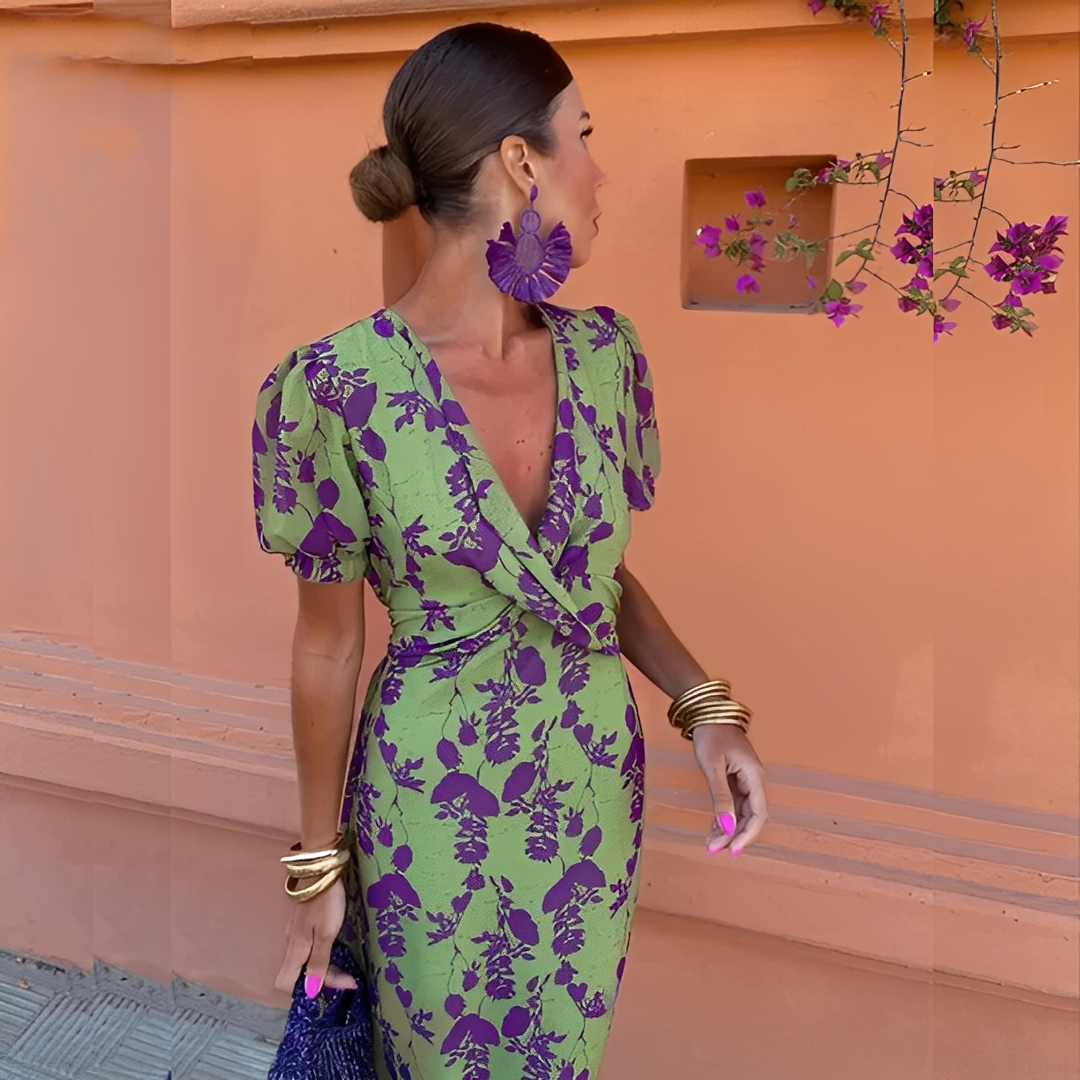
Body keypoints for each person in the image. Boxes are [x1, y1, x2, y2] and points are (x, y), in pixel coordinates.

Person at [252, 21, 768, 1080]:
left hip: (589, 791)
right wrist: (316, 870)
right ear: (522, 162)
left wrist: (706, 707)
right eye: (586, 134)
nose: (600, 170)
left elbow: (590, 579)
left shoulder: (604, 356)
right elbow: (328, 645)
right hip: (431, 800)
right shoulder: (337, 389)